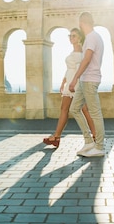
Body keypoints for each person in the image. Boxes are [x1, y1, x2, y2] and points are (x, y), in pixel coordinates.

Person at [43, 28, 96, 148]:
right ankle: (56, 137)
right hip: (70, 83)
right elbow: (69, 69)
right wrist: (63, 82)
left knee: (85, 109)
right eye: (70, 36)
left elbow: (80, 70)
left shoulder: (81, 52)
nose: (71, 38)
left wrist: (74, 83)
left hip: (76, 84)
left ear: (80, 38)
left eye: (74, 36)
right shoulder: (73, 52)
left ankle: (95, 135)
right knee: (64, 109)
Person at [69, 11, 105, 157]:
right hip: (85, 80)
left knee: (95, 113)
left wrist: (74, 78)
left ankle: (100, 146)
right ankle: (89, 141)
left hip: (89, 80)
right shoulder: (94, 37)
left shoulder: (92, 38)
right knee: (75, 108)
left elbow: (87, 59)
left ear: (81, 23)